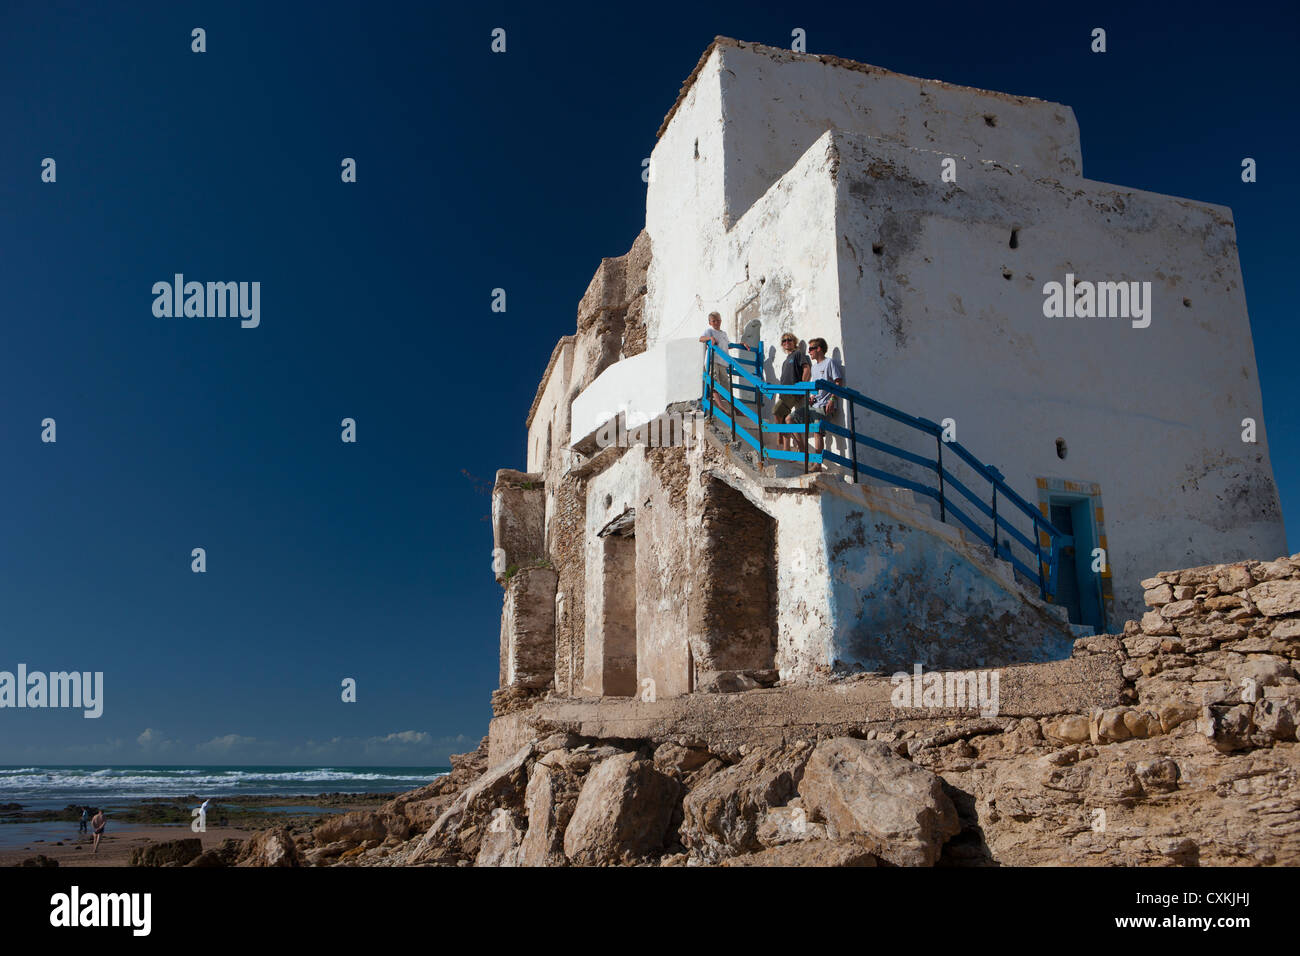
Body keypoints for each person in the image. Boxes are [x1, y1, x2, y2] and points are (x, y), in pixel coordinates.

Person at [791, 338, 844, 468]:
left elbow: (838, 381)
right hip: (814, 405)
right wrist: (812, 397)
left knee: (816, 430)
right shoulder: (814, 368)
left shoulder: (829, 363)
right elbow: (816, 387)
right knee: (789, 419)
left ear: (819, 348)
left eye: (811, 349)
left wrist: (832, 399)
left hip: (825, 405)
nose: (809, 352)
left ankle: (817, 464)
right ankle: (804, 451)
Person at [771, 333, 810, 452]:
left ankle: (779, 435)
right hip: (784, 393)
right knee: (787, 420)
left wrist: (802, 385)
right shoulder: (785, 361)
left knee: (776, 411)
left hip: (793, 392)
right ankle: (791, 449)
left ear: (794, 342)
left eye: (789, 340)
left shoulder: (798, 354)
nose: (787, 342)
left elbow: (806, 368)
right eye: (784, 341)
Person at [697, 311, 731, 412]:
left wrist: (741, 344)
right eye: (714, 321)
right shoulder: (709, 331)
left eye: (718, 320)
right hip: (713, 361)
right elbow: (701, 339)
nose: (716, 322)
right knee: (714, 381)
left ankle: (733, 407)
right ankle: (720, 405)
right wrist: (710, 338)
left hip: (723, 363)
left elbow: (728, 345)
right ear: (710, 323)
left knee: (725, 384)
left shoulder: (724, 334)